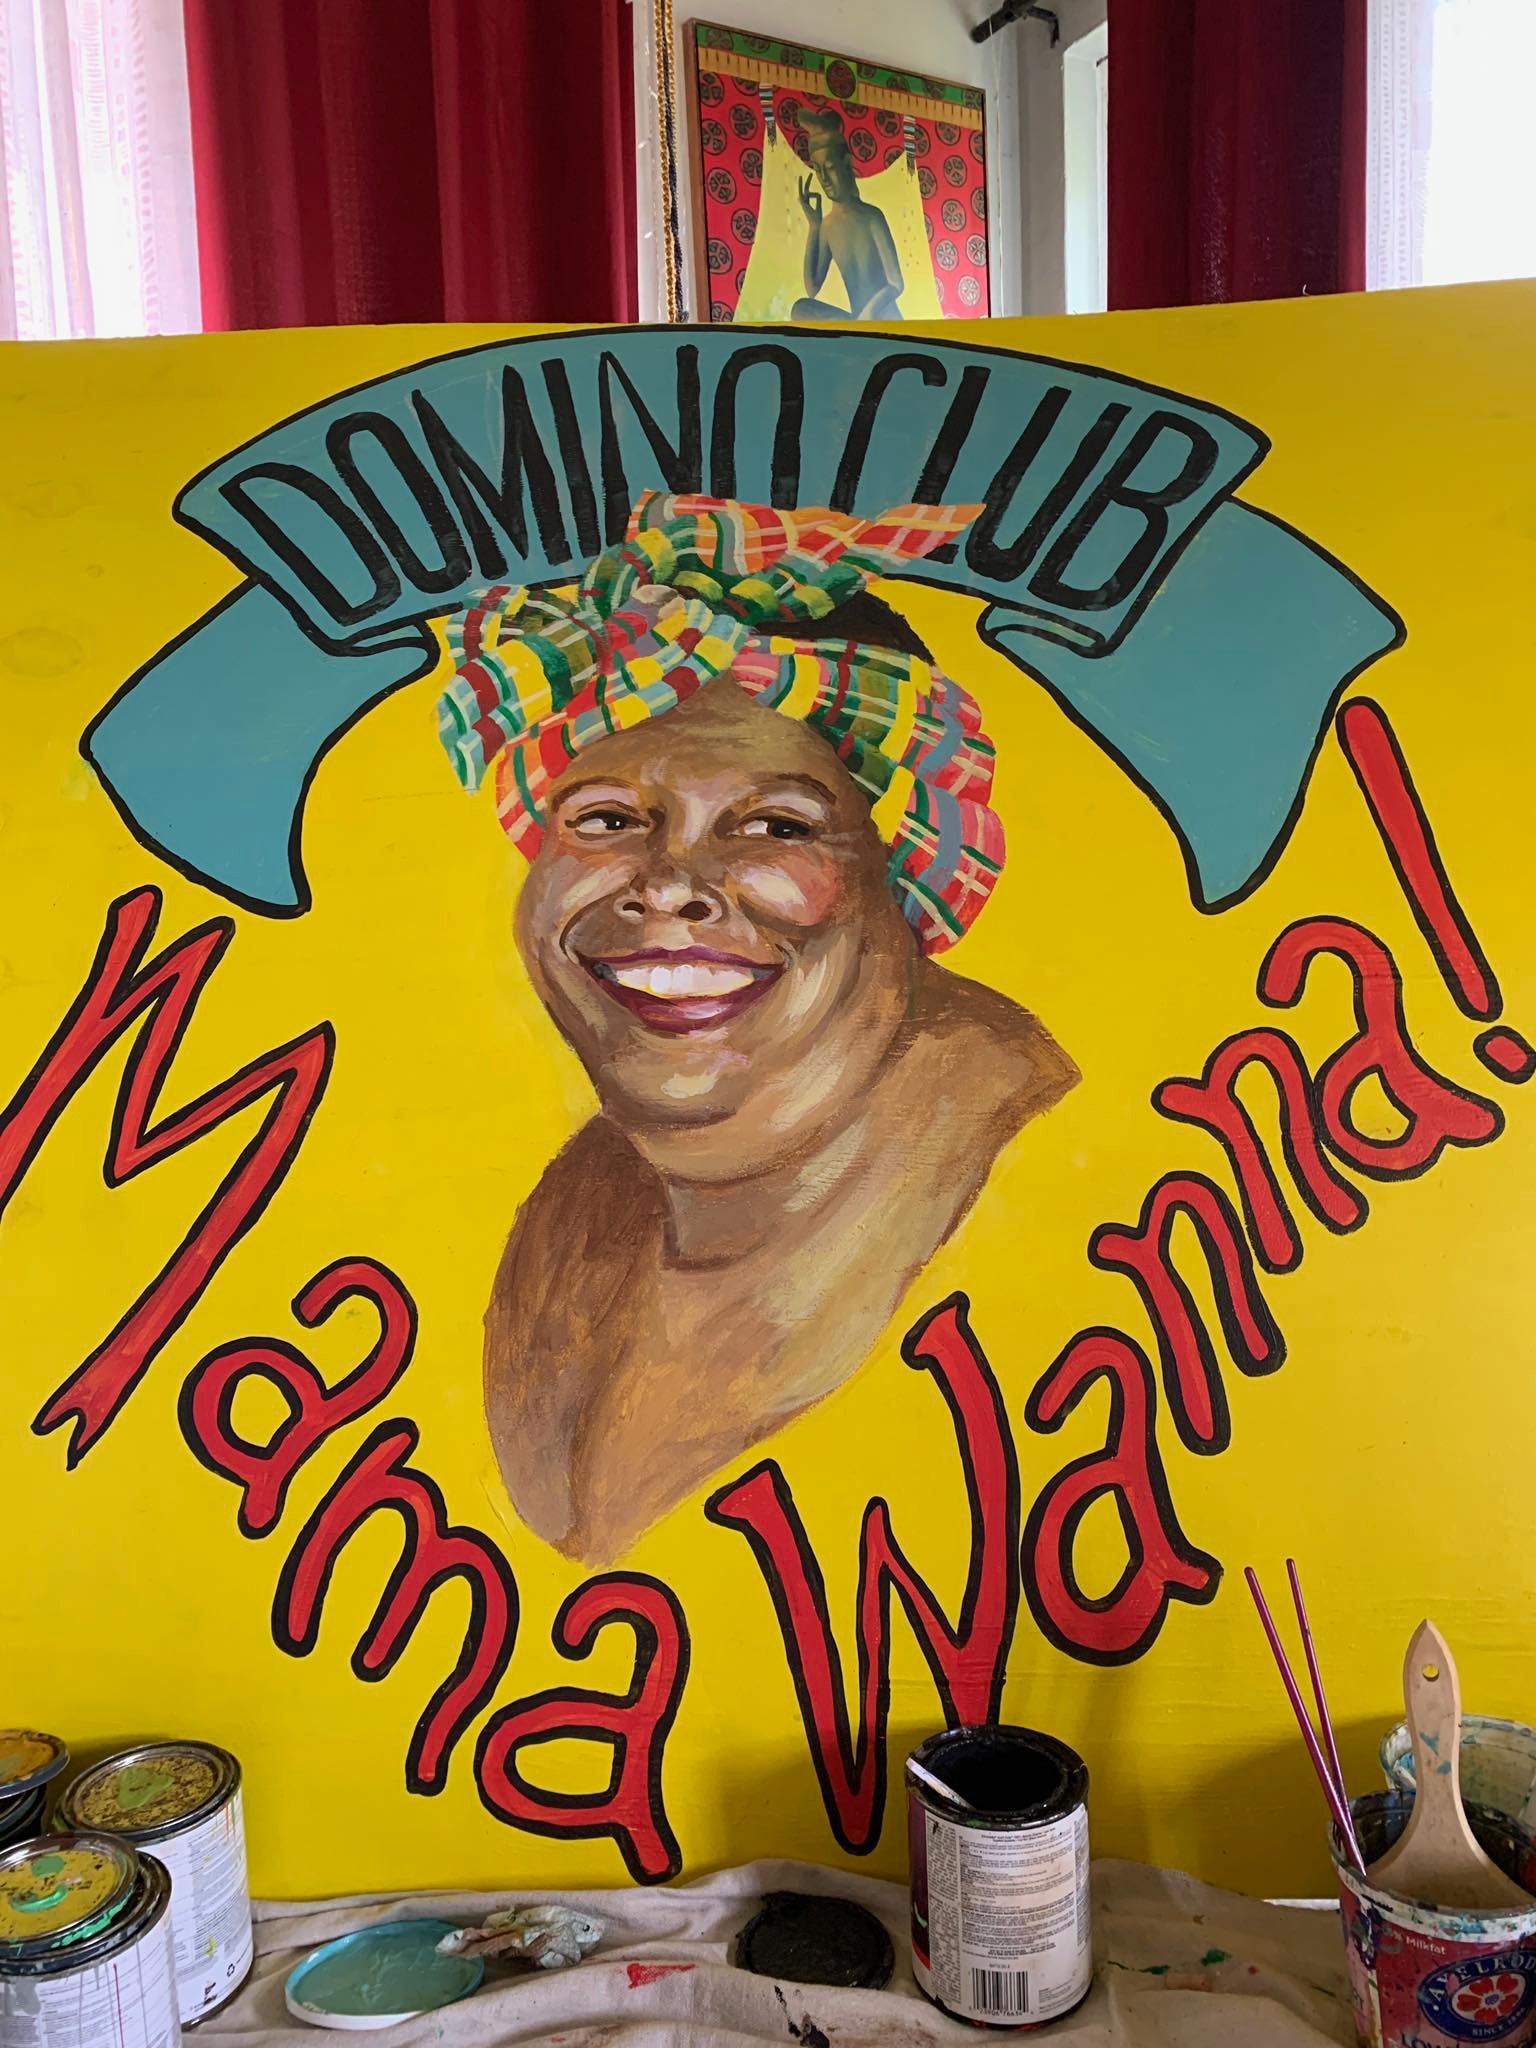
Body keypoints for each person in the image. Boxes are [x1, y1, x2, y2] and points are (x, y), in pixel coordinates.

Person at [437, 493, 1078, 1564]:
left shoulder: (1041, 1164)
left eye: (777, 824)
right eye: (605, 819)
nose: (671, 887)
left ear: (904, 871)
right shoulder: (582, 1212)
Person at [792, 107, 904, 322]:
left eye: (830, 167)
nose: (824, 178)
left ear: (846, 163)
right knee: (800, 309)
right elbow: (812, 287)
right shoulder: (827, 226)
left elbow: (896, 284)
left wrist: (869, 313)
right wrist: (814, 227)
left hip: (883, 321)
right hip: (857, 324)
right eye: (818, 170)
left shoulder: (872, 216)